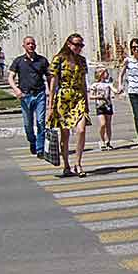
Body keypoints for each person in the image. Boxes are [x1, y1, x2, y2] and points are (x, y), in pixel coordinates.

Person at [47, 33, 91, 178]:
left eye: (81, 45)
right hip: (63, 99)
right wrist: (50, 107)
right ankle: (66, 165)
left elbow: (84, 83)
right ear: (68, 44)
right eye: (76, 44)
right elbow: (53, 85)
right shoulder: (58, 60)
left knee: (81, 130)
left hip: (78, 97)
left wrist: (87, 102)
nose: (79, 48)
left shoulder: (82, 61)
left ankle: (78, 163)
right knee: (65, 134)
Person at [8, 36, 50, 158]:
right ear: (24, 46)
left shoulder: (42, 60)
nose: (31, 45)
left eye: (32, 43)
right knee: (28, 124)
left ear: (35, 45)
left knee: (41, 121)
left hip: (40, 94)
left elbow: (49, 77)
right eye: (28, 44)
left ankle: (40, 149)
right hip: (25, 96)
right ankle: (32, 141)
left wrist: (52, 92)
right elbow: (11, 77)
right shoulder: (18, 61)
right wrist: (16, 90)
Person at [88, 68, 120, 150]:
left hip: (108, 106)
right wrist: (98, 96)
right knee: (103, 124)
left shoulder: (109, 84)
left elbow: (115, 90)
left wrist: (119, 90)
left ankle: (108, 141)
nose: (106, 74)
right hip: (100, 106)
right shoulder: (95, 85)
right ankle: (101, 140)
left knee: (108, 124)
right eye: (105, 72)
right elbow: (91, 96)